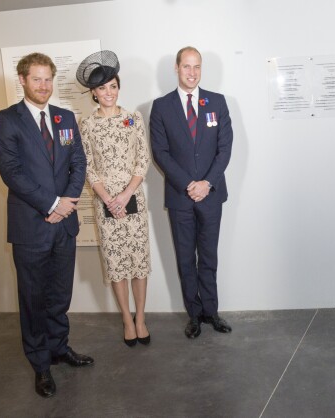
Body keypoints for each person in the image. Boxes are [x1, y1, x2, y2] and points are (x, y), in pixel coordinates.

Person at [0, 52, 93, 398]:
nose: (44, 86)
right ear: (22, 80)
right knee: (33, 299)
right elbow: (12, 173)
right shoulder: (6, 121)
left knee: (59, 296)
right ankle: (40, 365)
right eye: (37, 79)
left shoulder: (65, 118)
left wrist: (65, 204)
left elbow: (78, 162)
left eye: (48, 79)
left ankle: (59, 348)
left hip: (63, 225)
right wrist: (51, 204)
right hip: (31, 227)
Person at [150, 46, 233, 339]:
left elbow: (224, 149)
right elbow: (160, 153)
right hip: (180, 196)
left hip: (211, 195)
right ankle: (194, 315)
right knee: (186, 258)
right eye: (187, 66)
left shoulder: (218, 103)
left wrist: (207, 183)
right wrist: (189, 184)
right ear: (176, 68)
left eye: (197, 67)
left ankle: (211, 311)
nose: (192, 72)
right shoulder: (161, 107)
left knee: (209, 256)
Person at [76, 51, 152, 347]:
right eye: (102, 88)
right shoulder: (87, 125)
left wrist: (125, 194)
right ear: (93, 93)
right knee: (117, 263)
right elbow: (88, 167)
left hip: (133, 200)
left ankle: (141, 318)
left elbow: (142, 160)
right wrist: (109, 199)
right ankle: (126, 319)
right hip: (105, 204)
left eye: (113, 86)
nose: (109, 92)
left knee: (139, 262)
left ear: (118, 87)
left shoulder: (133, 118)